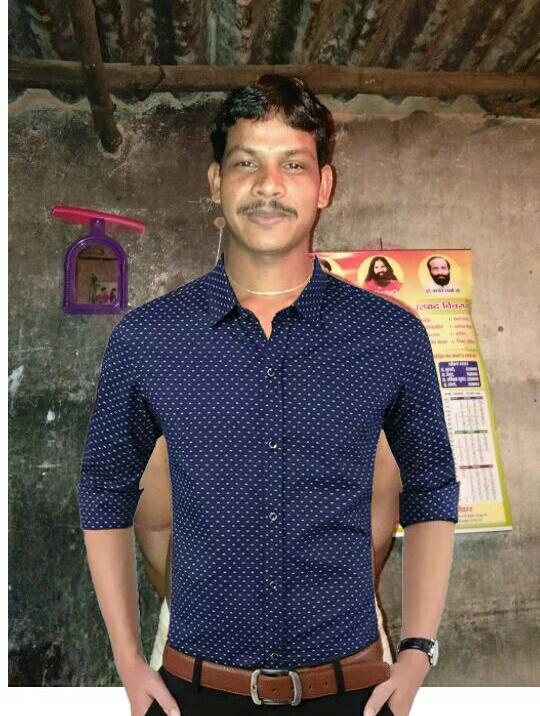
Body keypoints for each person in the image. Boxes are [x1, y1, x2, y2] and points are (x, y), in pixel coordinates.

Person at [78, 74, 460, 716]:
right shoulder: (148, 339)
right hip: (195, 692)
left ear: (324, 186)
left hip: (353, 692)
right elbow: (103, 491)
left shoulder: (390, 336)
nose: (268, 186)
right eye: (246, 163)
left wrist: (418, 650)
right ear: (215, 182)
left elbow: (431, 489)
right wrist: (127, 658)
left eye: (294, 165)